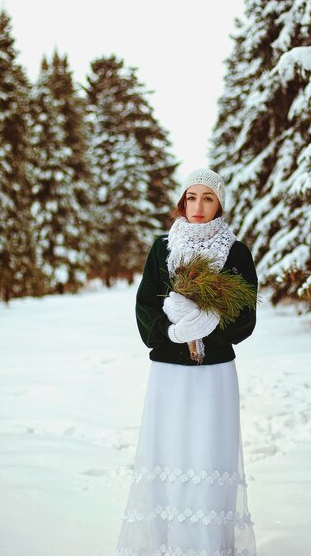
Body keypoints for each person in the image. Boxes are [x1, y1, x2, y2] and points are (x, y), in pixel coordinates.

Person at [117, 168, 258, 556]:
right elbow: (145, 306)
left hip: (214, 375)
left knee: (209, 453)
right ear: (182, 202)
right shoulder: (161, 247)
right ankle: (168, 544)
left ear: (219, 205)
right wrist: (172, 332)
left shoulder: (237, 252)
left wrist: (212, 321)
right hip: (168, 373)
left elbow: (246, 317)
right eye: (192, 197)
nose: (198, 206)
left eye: (208, 198)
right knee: (170, 451)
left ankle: (210, 545)